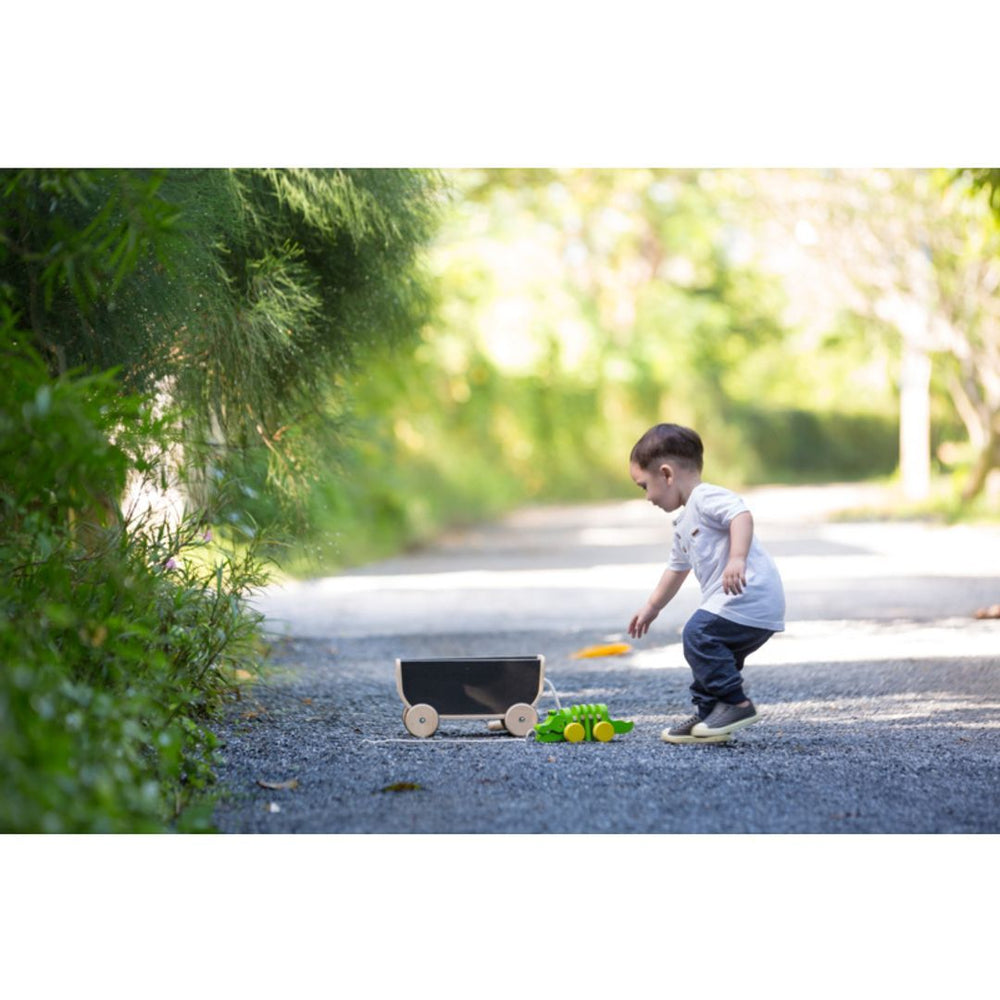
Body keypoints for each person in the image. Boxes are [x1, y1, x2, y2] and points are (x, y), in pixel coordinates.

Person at [626, 423, 785, 743]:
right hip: (737, 603)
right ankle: (711, 716)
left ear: (667, 474)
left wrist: (736, 558)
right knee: (709, 655)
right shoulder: (684, 522)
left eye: (644, 486)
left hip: (747, 594)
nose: (646, 497)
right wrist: (652, 607)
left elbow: (740, 515)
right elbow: (675, 569)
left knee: (698, 634)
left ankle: (736, 704)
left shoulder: (705, 497)